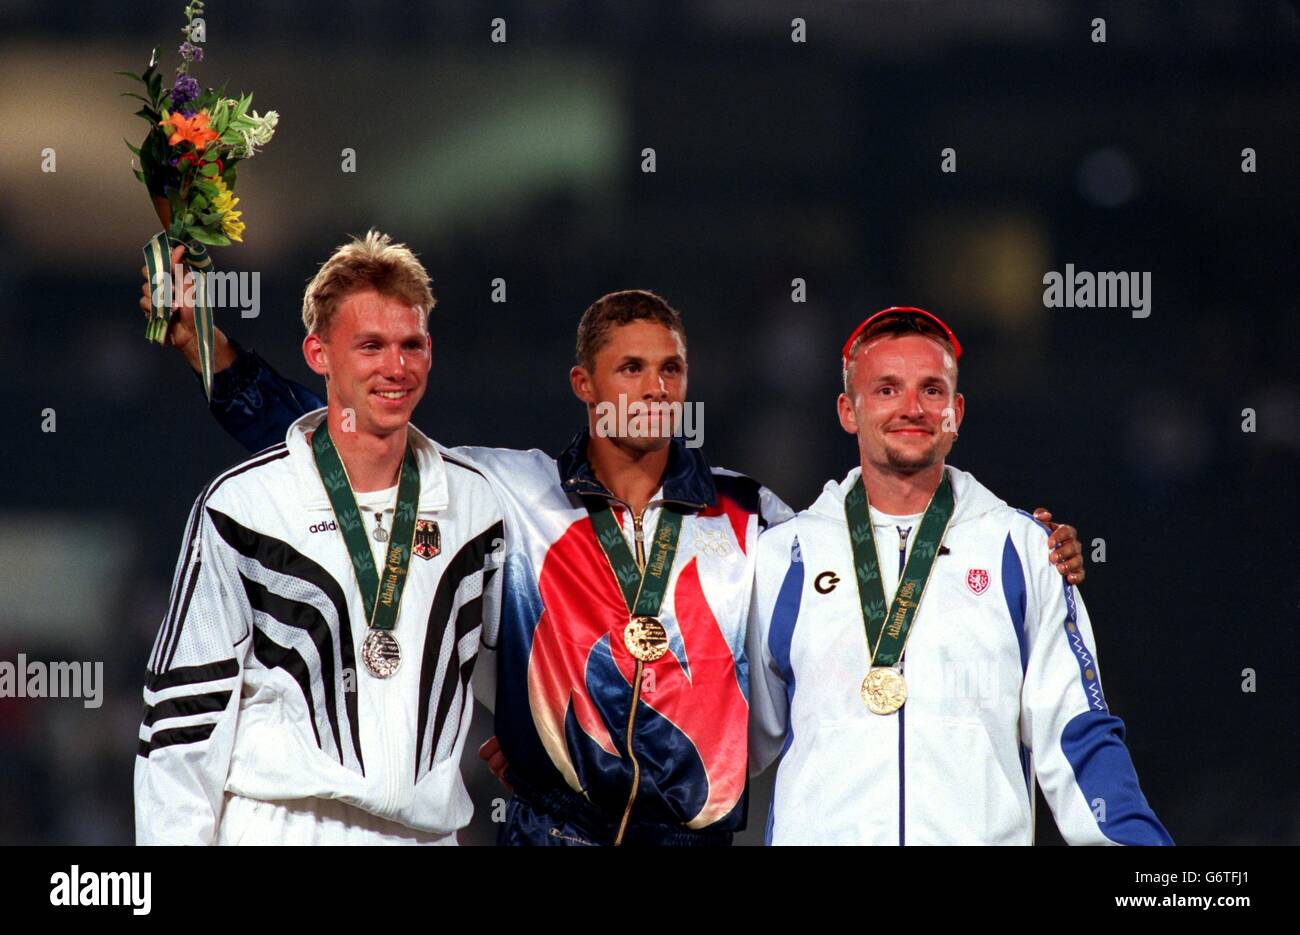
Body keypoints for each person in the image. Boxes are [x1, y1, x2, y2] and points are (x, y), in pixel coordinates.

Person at [139, 261, 1087, 844]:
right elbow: (353, 441)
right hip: (550, 836)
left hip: (699, 841)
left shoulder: (758, 520)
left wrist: (1028, 546)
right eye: (629, 366)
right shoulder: (506, 496)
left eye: (670, 367)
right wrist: (210, 352)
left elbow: (875, 591)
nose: (652, 384)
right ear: (584, 383)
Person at [746, 307, 1171, 845]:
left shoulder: (1021, 551)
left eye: (932, 390)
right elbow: (730, 742)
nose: (912, 408)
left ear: (957, 411)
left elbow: (1077, 735)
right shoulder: (784, 557)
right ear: (847, 410)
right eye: (885, 390)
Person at [135, 231, 504, 844]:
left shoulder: (479, 504)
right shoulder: (243, 506)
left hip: (425, 835)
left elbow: (515, 671)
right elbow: (183, 720)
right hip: (280, 826)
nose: (397, 366)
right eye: (371, 345)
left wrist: (542, 744)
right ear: (318, 352)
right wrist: (206, 347)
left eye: (411, 345)